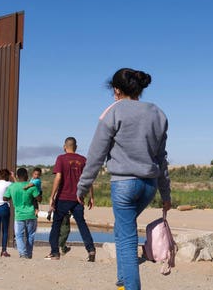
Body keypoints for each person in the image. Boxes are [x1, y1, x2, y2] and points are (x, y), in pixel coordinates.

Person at [76, 68, 171, 290]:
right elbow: (161, 159)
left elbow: (96, 155)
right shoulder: (157, 113)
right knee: (122, 229)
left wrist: (82, 187)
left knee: (127, 240)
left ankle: (129, 286)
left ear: (117, 90)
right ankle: (122, 282)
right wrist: (166, 195)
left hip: (124, 185)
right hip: (149, 185)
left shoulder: (114, 112)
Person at [45, 137, 96, 261]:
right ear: (76, 147)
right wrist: (91, 196)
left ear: (64, 146)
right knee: (81, 224)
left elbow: (58, 178)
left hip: (63, 197)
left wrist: (52, 196)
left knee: (56, 224)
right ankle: (91, 250)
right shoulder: (83, 160)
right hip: (78, 198)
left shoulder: (61, 159)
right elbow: (88, 179)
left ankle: (55, 252)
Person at [3, 168, 41, 259]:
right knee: (30, 235)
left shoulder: (12, 187)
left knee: (19, 235)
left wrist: (13, 197)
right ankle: (29, 254)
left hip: (19, 215)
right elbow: (39, 199)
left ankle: (23, 254)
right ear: (27, 176)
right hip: (31, 214)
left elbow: (5, 198)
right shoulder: (31, 186)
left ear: (17, 176)